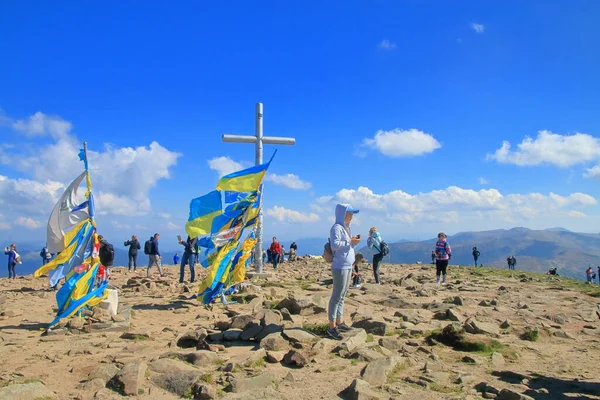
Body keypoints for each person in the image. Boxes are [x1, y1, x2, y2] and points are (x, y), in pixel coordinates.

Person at [327, 204, 360, 340]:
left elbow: (345, 246)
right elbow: (334, 246)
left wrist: (353, 243)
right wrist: (349, 241)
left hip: (347, 265)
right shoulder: (336, 228)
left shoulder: (346, 228)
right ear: (342, 214)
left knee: (342, 295)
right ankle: (332, 327)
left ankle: (339, 322)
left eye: (352, 214)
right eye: (349, 214)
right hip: (340, 266)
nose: (351, 217)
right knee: (336, 296)